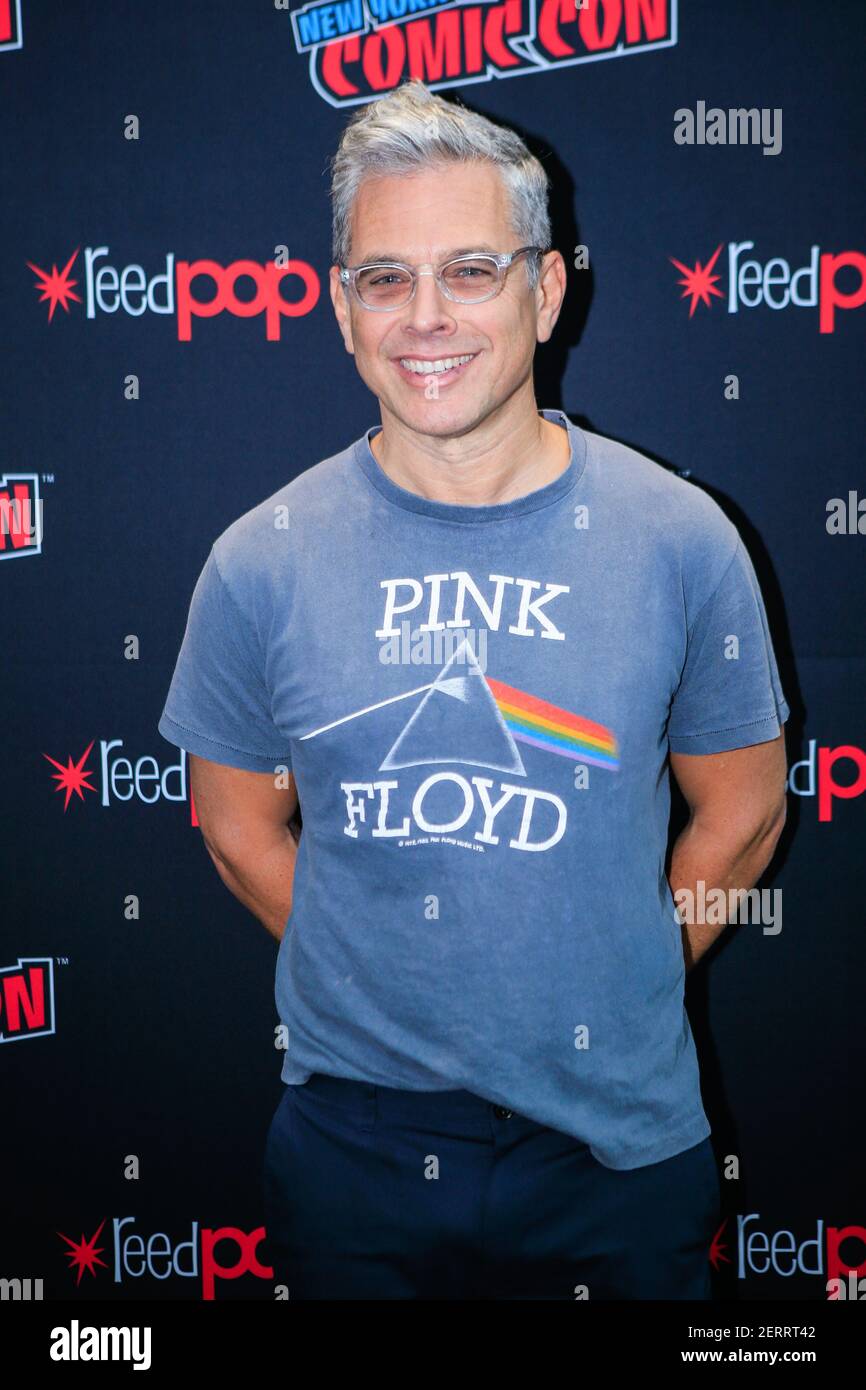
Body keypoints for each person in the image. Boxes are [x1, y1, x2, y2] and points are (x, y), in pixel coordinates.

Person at [157, 79, 789, 1300]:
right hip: (352, 1152)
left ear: (545, 292)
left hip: (617, 1154)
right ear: (341, 308)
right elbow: (236, 827)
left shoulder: (678, 538)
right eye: (383, 277)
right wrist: (395, 980)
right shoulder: (260, 557)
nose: (423, 317)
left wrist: (614, 968)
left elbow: (745, 809)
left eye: (470, 271)